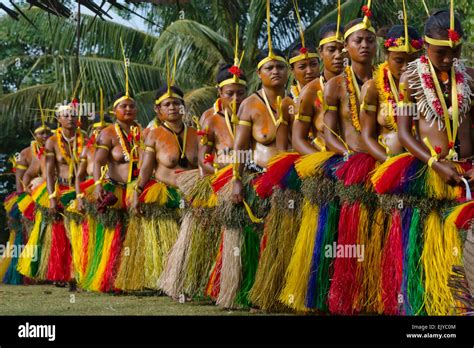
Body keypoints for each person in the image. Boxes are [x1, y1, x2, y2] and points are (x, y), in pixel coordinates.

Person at [372, 3, 473, 315]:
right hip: (429, 167)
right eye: (440, 52)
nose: (447, 59)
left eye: (453, 52)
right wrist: (434, 164)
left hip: (466, 166)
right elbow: (405, 134)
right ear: (426, 45)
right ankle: (433, 305)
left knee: (463, 237)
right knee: (429, 239)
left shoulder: (467, 77)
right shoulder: (409, 79)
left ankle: (462, 303)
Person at [360, 8, 423, 314]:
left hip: (419, 168)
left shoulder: (425, 84)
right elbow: (367, 135)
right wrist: (387, 163)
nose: (408, 67)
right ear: (387, 55)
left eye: (414, 60)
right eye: (401, 61)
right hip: (383, 169)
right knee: (386, 233)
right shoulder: (373, 87)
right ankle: (382, 295)